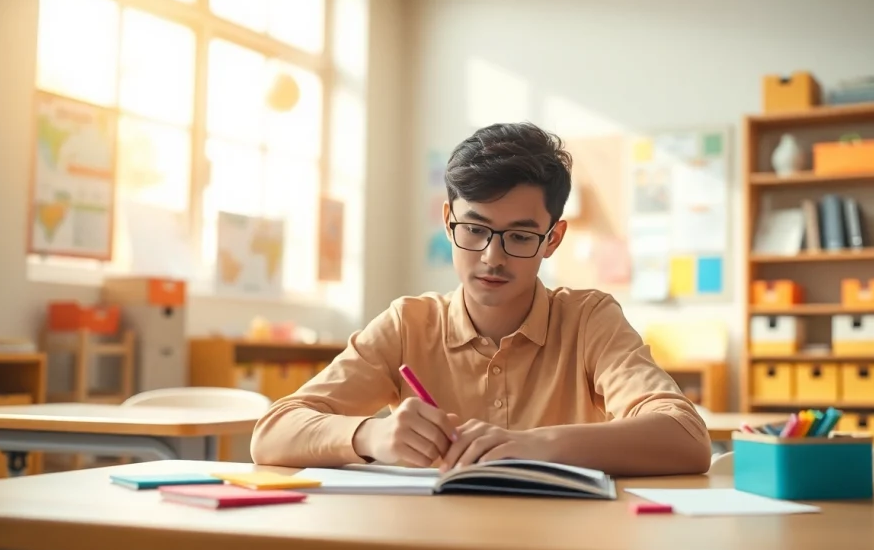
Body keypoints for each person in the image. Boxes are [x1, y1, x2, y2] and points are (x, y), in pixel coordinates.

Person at [251, 122, 711, 476]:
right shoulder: (408, 324)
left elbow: (687, 438)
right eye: (474, 229)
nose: (493, 257)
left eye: (520, 235)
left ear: (553, 239)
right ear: (449, 220)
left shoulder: (589, 319)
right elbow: (272, 433)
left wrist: (535, 446)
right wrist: (371, 433)